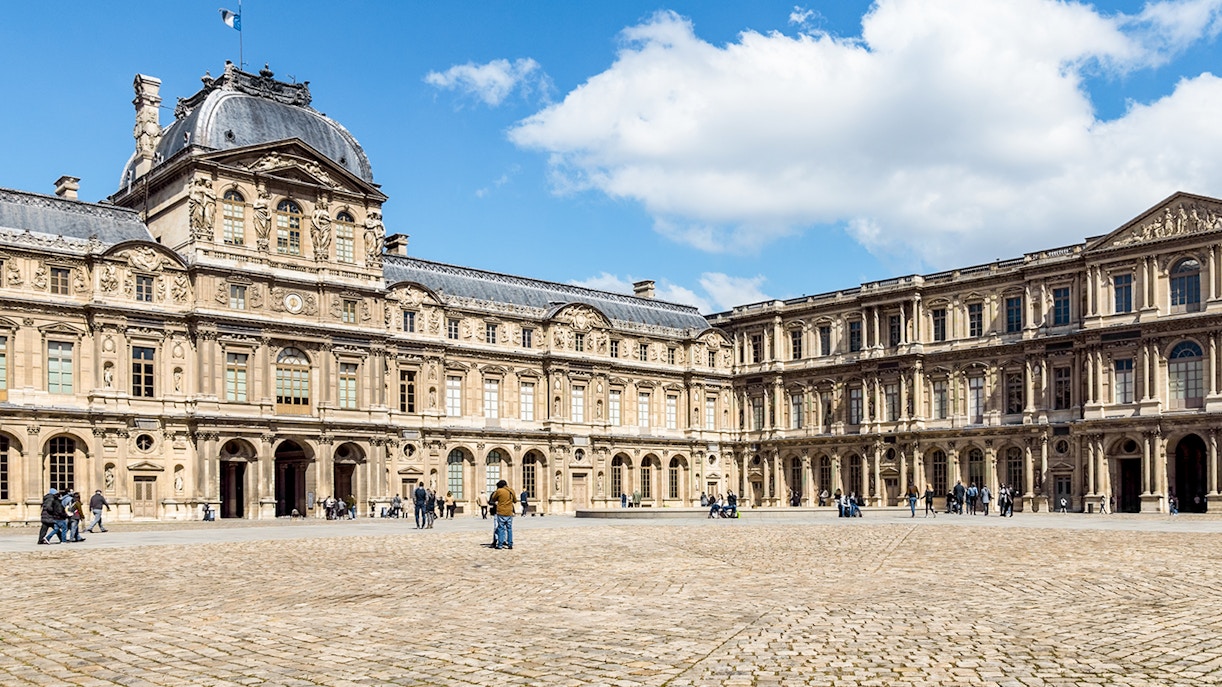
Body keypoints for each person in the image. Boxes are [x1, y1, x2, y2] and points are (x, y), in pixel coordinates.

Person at [490, 479, 515, 550]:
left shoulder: (499, 491)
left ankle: (500, 545)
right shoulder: (511, 490)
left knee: (501, 528)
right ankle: (510, 544)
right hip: (509, 512)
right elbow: (515, 500)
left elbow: (493, 498)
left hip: (501, 512)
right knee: (509, 529)